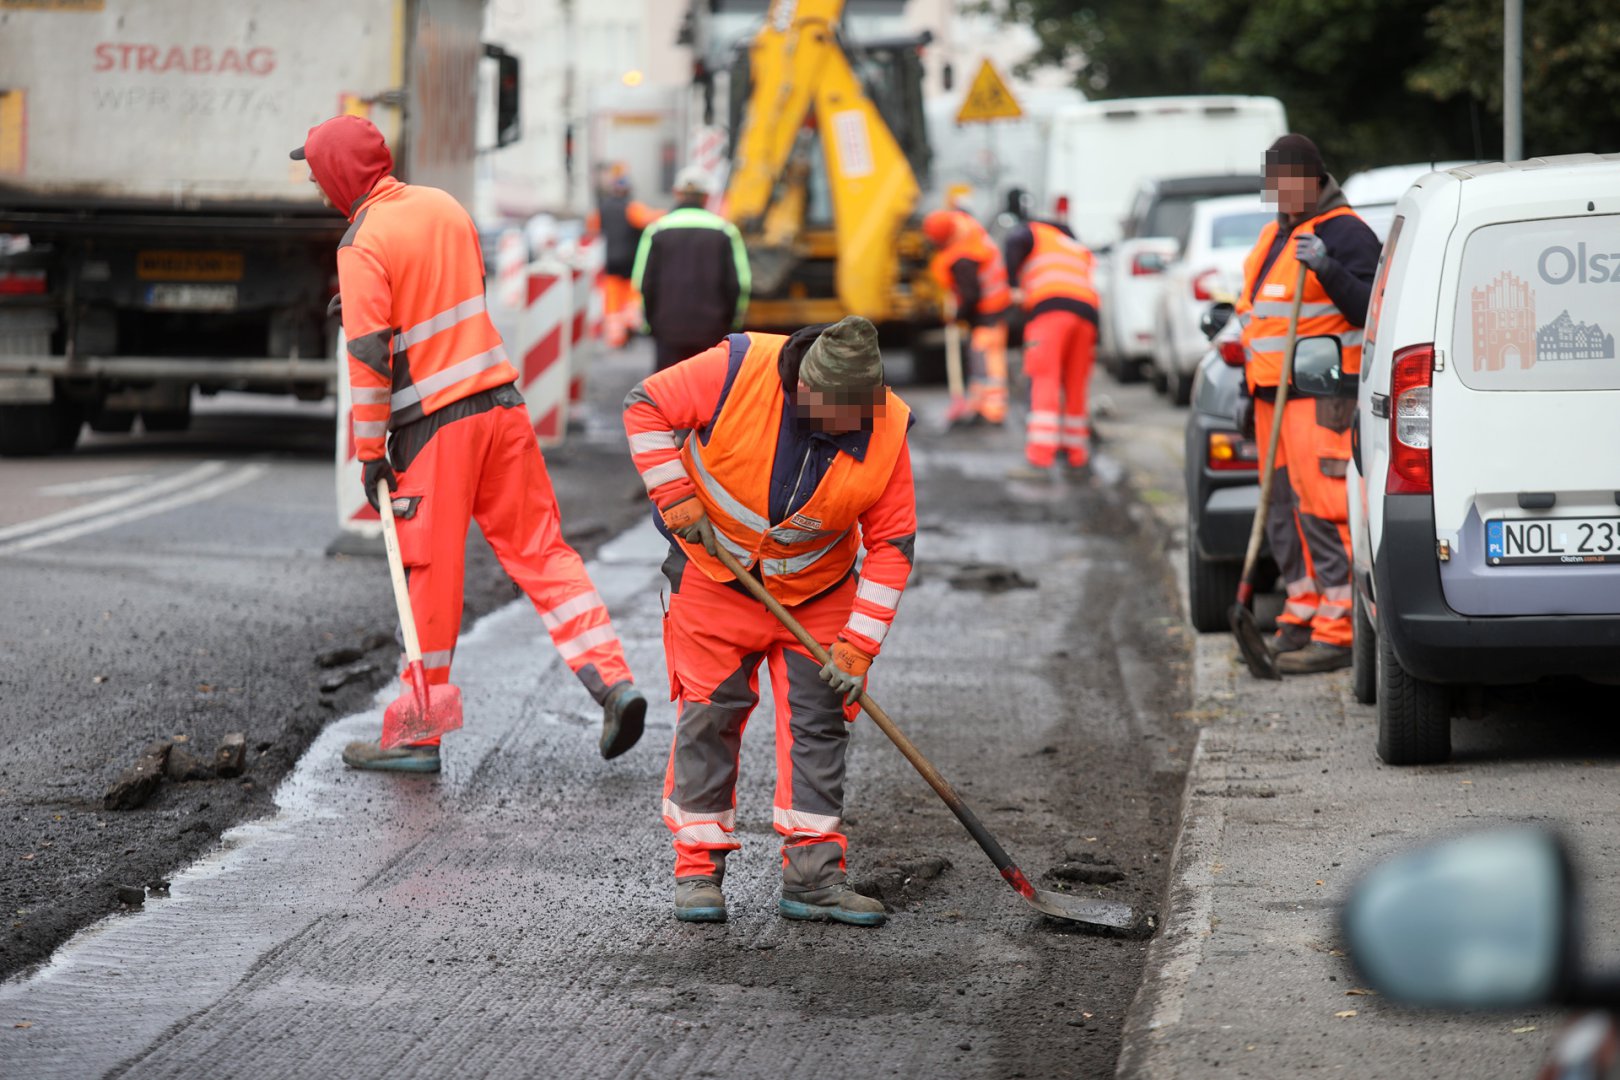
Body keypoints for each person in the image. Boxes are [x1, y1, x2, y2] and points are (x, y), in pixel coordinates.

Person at [293, 114, 648, 771]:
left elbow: (370, 359)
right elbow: (446, 300)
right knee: (544, 554)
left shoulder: (362, 241)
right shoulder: (443, 206)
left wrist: (370, 450)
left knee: (428, 577)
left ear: (341, 173)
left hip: (435, 426)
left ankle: (417, 734)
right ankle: (613, 682)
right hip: (501, 405)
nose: (318, 188)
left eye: (319, 175)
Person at [622, 316, 915, 927]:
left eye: (853, 418)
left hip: (819, 588)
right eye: (829, 414)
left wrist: (859, 646)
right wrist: (676, 497)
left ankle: (813, 880)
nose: (843, 429)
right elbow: (645, 406)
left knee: (821, 722)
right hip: (712, 572)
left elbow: (892, 545)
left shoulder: (886, 426)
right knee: (709, 715)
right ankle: (698, 870)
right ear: (803, 390)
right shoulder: (737, 369)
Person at [1236, 134, 1380, 675]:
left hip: (1322, 398)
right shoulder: (1276, 236)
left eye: (1291, 185)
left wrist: (1327, 267)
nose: (1282, 196)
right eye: (1275, 187)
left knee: (1325, 511)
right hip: (1271, 398)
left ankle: (1340, 630)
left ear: (1317, 180)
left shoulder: (1344, 233)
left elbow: (1370, 308)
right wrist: (1244, 389)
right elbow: (1257, 319)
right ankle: (1301, 614)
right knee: (1281, 511)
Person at [1003, 217, 1100, 473]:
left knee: (1045, 376)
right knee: (1076, 382)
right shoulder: (1075, 246)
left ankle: (1040, 456)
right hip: (1087, 314)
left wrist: (1013, 285)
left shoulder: (1036, 232)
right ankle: (1076, 452)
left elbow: (1014, 241)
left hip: (1050, 309)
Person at [631, 167, 751, 372]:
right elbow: (739, 284)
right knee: (709, 391)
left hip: (668, 328)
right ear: (706, 197)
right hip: (713, 330)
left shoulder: (657, 230)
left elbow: (643, 282)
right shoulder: (725, 231)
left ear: (677, 193)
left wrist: (650, 323)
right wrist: (733, 322)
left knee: (668, 392)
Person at [923, 209, 1011, 426]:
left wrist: (957, 315)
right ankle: (979, 406)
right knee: (981, 359)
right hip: (994, 307)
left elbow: (970, 294)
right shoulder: (966, 229)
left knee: (986, 362)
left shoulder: (963, 258)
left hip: (989, 312)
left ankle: (991, 411)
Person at [590, 166, 662, 349]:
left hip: (610, 264)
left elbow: (592, 228)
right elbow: (649, 220)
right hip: (631, 265)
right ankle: (630, 328)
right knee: (631, 301)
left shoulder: (602, 209)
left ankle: (615, 338)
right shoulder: (632, 208)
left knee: (612, 304)